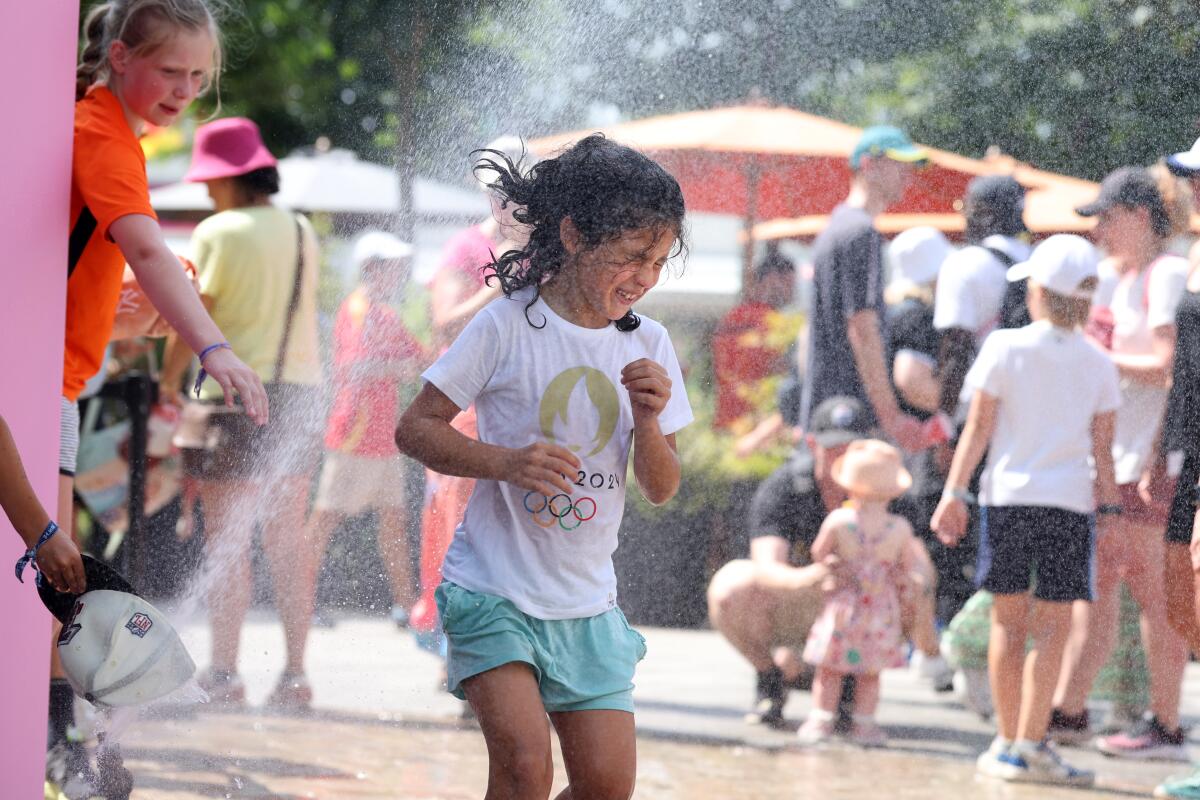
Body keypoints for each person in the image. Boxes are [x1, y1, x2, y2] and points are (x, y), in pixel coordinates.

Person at [394, 135, 692, 800]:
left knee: (607, 787)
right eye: (633, 254)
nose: (645, 274)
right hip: (493, 591)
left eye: (659, 259)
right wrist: (504, 462)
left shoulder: (650, 344)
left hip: (587, 605)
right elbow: (414, 428)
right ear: (573, 234)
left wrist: (647, 419)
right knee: (527, 768)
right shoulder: (506, 325)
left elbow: (663, 486)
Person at [55, 0, 266, 777]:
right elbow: (142, 245)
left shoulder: (108, 131)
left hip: (62, 382)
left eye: (199, 78)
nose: (184, 89)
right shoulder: (101, 132)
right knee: (56, 566)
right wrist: (213, 347)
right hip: (43, 393)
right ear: (118, 57)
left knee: (59, 564)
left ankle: (67, 736)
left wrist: (126, 318)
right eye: (171, 71)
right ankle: (63, 741)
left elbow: (80, 282)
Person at [932, 234, 1120, 786]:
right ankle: (1035, 741)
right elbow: (1102, 454)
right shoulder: (1099, 363)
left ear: (1037, 290)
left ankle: (1008, 743)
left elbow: (979, 430)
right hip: (1070, 506)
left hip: (1009, 500)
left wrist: (953, 492)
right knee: (1054, 631)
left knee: (1007, 626)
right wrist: (1109, 516)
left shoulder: (1004, 348)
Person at [160, 117, 323, 709]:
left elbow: (192, 317)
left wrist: (166, 380)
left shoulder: (218, 231)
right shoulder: (303, 230)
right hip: (299, 396)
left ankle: (226, 675)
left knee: (226, 541)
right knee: (288, 543)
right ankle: (297, 675)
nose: (207, 192)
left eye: (211, 181)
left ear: (229, 179)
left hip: (229, 397)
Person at [1050, 168, 1190, 759]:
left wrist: (1096, 357)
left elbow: (1166, 366)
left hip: (1151, 462)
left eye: (1106, 217)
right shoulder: (1113, 277)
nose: (1098, 231)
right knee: (1098, 590)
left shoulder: (1168, 274)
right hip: (1108, 463)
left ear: (1138, 215)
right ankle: (1068, 710)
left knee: (1154, 601)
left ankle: (1164, 722)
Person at [707, 396, 945, 728]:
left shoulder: (892, 498)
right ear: (811, 444)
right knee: (731, 586)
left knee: (919, 589)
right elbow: (766, 566)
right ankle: (771, 679)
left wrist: (911, 580)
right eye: (834, 448)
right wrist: (816, 576)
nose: (843, 459)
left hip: (870, 608)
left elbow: (919, 564)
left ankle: (855, 684)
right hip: (803, 600)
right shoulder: (786, 488)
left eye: (853, 449)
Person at [408, 136, 535, 650]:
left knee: (519, 527)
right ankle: (458, 642)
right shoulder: (466, 248)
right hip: (465, 411)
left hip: (524, 405)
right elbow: (446, 320)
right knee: (459, 525)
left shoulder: (545, 246)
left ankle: (513, 640)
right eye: (500, 190)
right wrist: (503, 277)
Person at [304, 232, 425, 632]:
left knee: (394, 520)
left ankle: (407, 607)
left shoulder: (386, 314)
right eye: (392, 266)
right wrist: (397, 368)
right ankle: (300, 602)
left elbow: (417, 359)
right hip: (352, 433)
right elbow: (355, 368)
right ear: (371, 268)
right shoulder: (357, 309)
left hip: (383, 437)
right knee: (324, 521)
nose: (399, 274)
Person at [801, 126, 928, 452]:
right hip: (852, 421)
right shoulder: (862, 233)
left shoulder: (835, 228)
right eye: (898, 163)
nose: (907, 174)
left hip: (828, 414)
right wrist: (891, 417)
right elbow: (863, 329)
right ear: (869, 165)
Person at [797, 439, 919, 747]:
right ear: (893, 490)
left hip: (845, 604)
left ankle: (821, 719)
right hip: (879, 607)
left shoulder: (839, 520)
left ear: (850, 485)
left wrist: (838, 562)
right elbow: (905, 566)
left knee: (830, 668)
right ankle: (864, 725)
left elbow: (819, 552)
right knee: (870, 672)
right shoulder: (900, 528)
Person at [884, 227, 959, 632]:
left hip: (900, 442)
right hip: (914, 446)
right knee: (922, 539)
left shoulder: (894, 310)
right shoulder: (916, 315)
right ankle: (924, 632)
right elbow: (911, 378)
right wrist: (958, 409)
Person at [712, 243, 796, 430]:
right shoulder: (772, 322)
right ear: (773, 280)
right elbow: (781, 370)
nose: (792, 293)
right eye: (790, 284)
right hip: (758, 423)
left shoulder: (732, 317)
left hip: (725, 419)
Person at [4, 414, 84, 594]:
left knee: (67, 599)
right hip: (48, 413)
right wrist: (41, 534)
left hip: (57, 411)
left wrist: (42, 535)